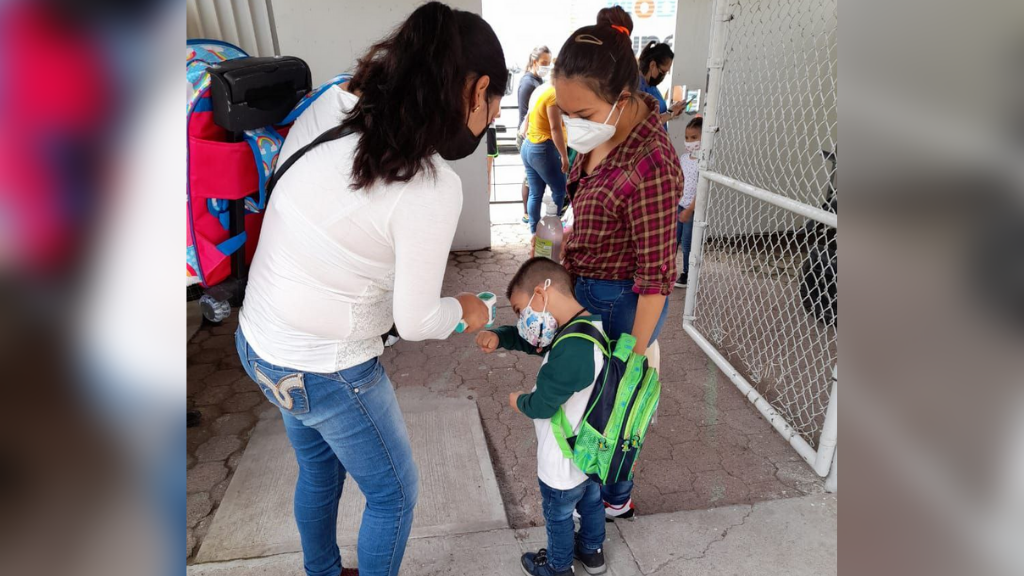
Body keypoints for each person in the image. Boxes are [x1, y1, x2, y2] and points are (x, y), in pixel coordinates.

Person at [233, 3, 504, 576]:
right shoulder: (430, 186)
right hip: (329, 370)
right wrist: (472, 310)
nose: (490, 120)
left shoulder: (333, 106)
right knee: (394, 495)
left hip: (261, 344)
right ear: (477, 89)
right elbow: (417, 320)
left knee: (318, 472)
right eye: (494, 105)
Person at [553, 6, 684, 520]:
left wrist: (633, 353)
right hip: (587, 289)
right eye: (565, 113)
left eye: (581, 116)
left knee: (614, 410)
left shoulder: (651, 163)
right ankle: (592, 487)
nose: (571, 125)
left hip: (623, 304)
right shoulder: (599, 135)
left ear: (623, 100)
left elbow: (656, 279)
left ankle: (615, 497)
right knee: (585, 406)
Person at [475, 257, 607, 576]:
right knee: (591, 501)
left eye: (521, 311)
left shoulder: (572, 349)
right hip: (589, 450)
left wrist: (518, 400)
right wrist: (502, 336)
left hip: (562, 459)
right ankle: (592, 552)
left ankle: (559, 567)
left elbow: (543, 405)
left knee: (559, 514)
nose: (523, 319)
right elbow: (537, 342)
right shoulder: (585, 327)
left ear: (540, 292)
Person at [521, 83, 569, 233]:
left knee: (535, 193)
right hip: (542, 149)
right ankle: (551, 230)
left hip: (528, 145)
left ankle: (534, 232)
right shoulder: (554, 96)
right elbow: (555, 128)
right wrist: (564, 156)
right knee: (559, 190)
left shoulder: (543, 91)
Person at [518, 46, 552, 223]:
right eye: (544, 63)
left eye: (549, 63)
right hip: (530, 136)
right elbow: (530, 114)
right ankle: (527, 214)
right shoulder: (529, 83)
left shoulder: (537, 81)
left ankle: (531, 217)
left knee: (534, 180)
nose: (546, 67)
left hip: (534, 135)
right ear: (534, 61)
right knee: (530, 179)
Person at [676, 116, 702, 287]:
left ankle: (687, 273)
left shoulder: (704, 162)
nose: (689, 141)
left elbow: (701, 189)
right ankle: (667, 270)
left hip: (692, 209)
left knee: (687, 244)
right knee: (673, 240)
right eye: (687, 137)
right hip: (678, 205)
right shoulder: (684, 158)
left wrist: (689, 209)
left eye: (694, 138)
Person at [637, 41, 684, 128]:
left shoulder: (651, 85)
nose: (663, 76)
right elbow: (645, 124)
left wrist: (672, 111)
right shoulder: (637, 87)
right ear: (652, 65)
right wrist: (670, 114)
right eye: (662, 72)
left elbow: (659, 115)